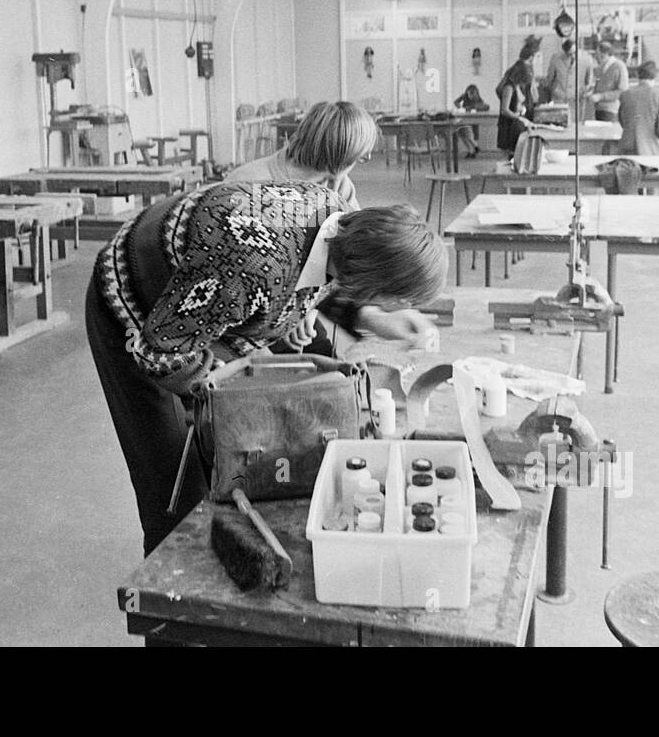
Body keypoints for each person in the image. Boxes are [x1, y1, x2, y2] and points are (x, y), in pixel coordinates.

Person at [87, 181, 447, 554]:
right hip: (133, 307)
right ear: (372, 282)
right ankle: (167, 597)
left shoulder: (336, 219)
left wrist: (368, 318)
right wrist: (228, 400)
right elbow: (158, 352)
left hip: (194, 302)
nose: (399, 308)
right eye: (397, 300)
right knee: (173, 480)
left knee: (234, 449)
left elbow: (320, 276)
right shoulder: (250, 269)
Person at [225, 100, 377, 208]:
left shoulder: (340, 186)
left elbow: (355, 238)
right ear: (340, 158)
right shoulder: (245, 183)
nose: (365, 159)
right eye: (360, 157)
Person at [616, 61, 659, 156]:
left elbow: (622, 120)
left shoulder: (625, 94)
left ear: (637, 75)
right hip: (651, 150)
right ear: (655, 76)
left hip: (627, 148)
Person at [496, 41, 539, 154]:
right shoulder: (509, 88)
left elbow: (533, 98)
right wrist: (520, 118)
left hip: (518, 124)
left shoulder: (521, 86)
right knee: (513, 155)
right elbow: (504, 110)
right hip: (510, 126)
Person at [543, 38, 595, 123]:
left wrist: (585, 91)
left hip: (577, 100)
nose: (572, 56)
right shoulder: (556, 58)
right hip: (559, 99)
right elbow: (550, 78)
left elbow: (589, 81)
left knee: (575, 127)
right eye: (569, 54)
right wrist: (552, 90)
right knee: (559, 124)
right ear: (564, 51)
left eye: (574, 53)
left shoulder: (587, 58)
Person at [588, 40, 629, 122]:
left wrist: (600, 96)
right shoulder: (602, 67)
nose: (596, 57)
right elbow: (601, 85)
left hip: (610, 110)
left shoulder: (619, 66)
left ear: (605, 54)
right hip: (599, 109)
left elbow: (622, 91)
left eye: (598, 55)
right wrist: (591, 92)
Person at [452, 85, 486, 158]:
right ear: (467, 93)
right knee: (462, 134)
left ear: (476, 94)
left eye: (472, 94)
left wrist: (474, 108)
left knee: (470, 134)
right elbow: (455, 102)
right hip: (464, 118)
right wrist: (460, 107)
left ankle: (475, 147)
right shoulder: (464, 96)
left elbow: (485, 107)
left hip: (473, 119)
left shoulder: (479, 100)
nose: (470, 96)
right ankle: (471, 150)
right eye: (469, 94)